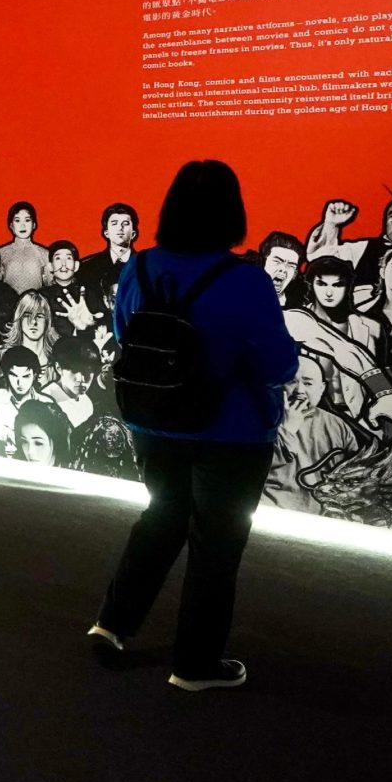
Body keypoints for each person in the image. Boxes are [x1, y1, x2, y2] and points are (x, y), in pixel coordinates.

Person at [90, 160, 299, 691]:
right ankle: (195, 665)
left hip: (153, 422)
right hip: (232, 433)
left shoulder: (138, 267)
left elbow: (125, 336)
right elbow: (278, 366)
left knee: (161, 517)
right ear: (232, 213)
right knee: (216, 544)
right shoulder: (247, 281)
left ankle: (111, 624)